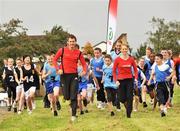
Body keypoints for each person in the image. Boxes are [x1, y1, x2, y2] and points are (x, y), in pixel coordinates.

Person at [53, 34, 87, 121]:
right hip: (64, 76)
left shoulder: (78, 52)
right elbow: (54, 60)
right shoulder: (62, 50)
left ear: (75, 42)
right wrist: (58, 69)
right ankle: (66, 98)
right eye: (70, 41)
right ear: (67, 42)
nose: (72, 43)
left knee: (73, 96)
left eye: (73, 42)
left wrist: (84, 71)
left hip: (74, 76)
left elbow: (84, 63)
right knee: (67, 96)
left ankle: (73, 115)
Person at [113, 43, 138, 118]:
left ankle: (128, 114)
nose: (124, 50)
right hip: (121, 80)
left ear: (128, 50)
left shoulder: (131, 59)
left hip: (129, 80)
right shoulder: (117, 59)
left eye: (125, 49)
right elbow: (114, 71)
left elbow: (136, 70)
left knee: (129, 97)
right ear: (120, 50)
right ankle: (127, 105)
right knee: (121, 98)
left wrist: (136, 78)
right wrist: (116, 80)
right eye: (123, 49)